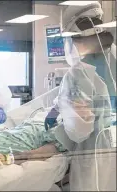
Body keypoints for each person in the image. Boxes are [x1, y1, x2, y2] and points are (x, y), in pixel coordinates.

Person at [45, 1, 116, 191]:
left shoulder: (78, 73)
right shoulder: (112, 60)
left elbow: (78, 131)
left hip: (94, 158)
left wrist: (60, 125)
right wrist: (57, 108)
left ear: (75, 39)